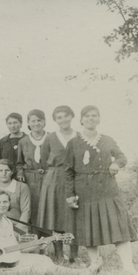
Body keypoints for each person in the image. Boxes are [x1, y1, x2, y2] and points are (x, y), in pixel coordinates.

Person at [64, 105, 138, 275]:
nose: (91, 119)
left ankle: (128, 267)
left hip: (107, 188)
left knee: (119, 226)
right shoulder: (73, 143)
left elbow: (122, 157)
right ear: (81, 120)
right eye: (87, 116)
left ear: (99, 119)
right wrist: (70, 195)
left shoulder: (107, 140)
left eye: (94, 116)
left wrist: (115, 163)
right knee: (89, 228)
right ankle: (95, 264)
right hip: (85, 190)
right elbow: (68, 171)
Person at [0, 191, 93, 273]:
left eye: (5, 202)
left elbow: (14, 250)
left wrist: (38, 245)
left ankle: (82, 272)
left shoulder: (7, 221)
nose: (2, 205)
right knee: (41, 266)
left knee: (44, 260)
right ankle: (84, 273)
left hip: (6, 260)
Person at [38, 105, 78, 262]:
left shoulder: (79, 136)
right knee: (56, 217)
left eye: (66, 116)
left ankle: (74, 255)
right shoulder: (50, 137)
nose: (63, 120)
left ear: (72, 117)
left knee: (74, 217)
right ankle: (59, 254)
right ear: (55, 120)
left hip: (74, 178)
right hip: (54, 179)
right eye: (59, 117)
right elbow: (44, 159)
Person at [16, 109, 47, 225]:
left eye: (39, 120)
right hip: (31, 178)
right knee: (33, 205)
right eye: (33, 121)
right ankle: (35, 233)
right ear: (28, 123)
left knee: (49, 204)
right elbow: (19, 163)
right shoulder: (23, 142)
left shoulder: (52, 138)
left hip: (49, 176)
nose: (36, 123)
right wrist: (20, 174)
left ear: (44, 122)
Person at [0, 159, 31, 226]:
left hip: (17, 227)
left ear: (12, 172)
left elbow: (26, 211)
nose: (4, 173)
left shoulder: (22, 187)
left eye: (7, 170)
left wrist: (19, 229)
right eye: (0, 170)